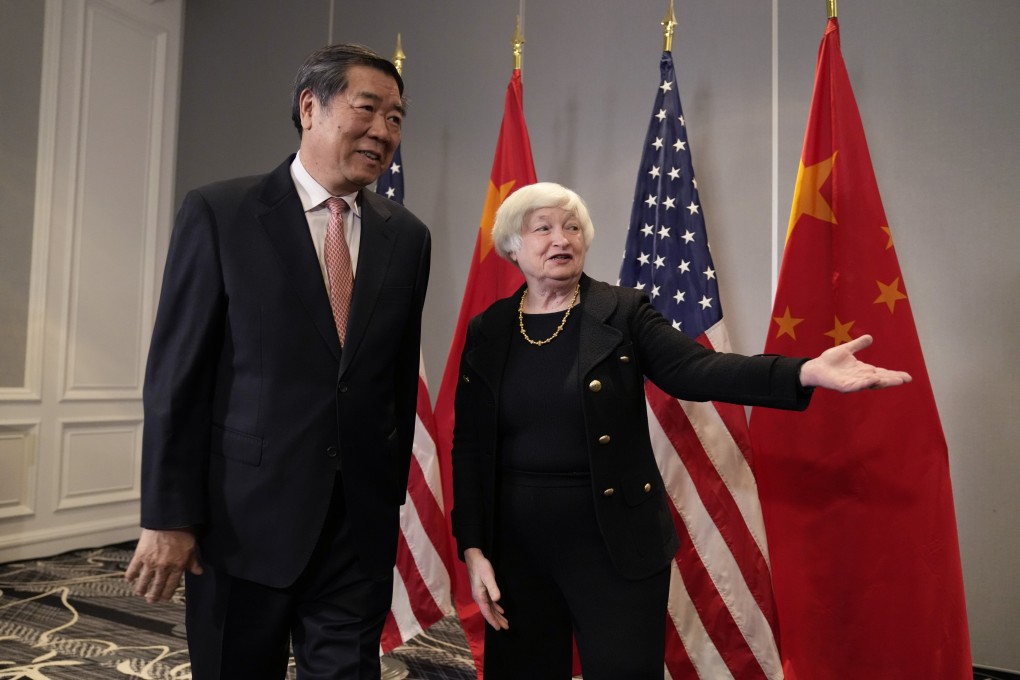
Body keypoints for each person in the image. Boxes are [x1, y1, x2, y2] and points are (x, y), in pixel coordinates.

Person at [450, 182, 910, 680]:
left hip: (615, 544)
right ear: (512, 245)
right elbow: (471, 447)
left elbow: (698, 369)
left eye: (573, 227)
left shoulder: (622, 311)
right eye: (543, 228)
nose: (562, 238)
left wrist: (801, 372)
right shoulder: (490, 328)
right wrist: (474, 548)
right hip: (517, 548)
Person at [124, 44, 431, 680]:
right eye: (368, 109)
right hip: (243, 524)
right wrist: (169, 515)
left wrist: (389, 500)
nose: (384, 131)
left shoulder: (407, 236)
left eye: (397, 118)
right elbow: (177, 377)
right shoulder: (221, 213)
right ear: (310, 107)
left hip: (357, 529)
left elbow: (395, 377)